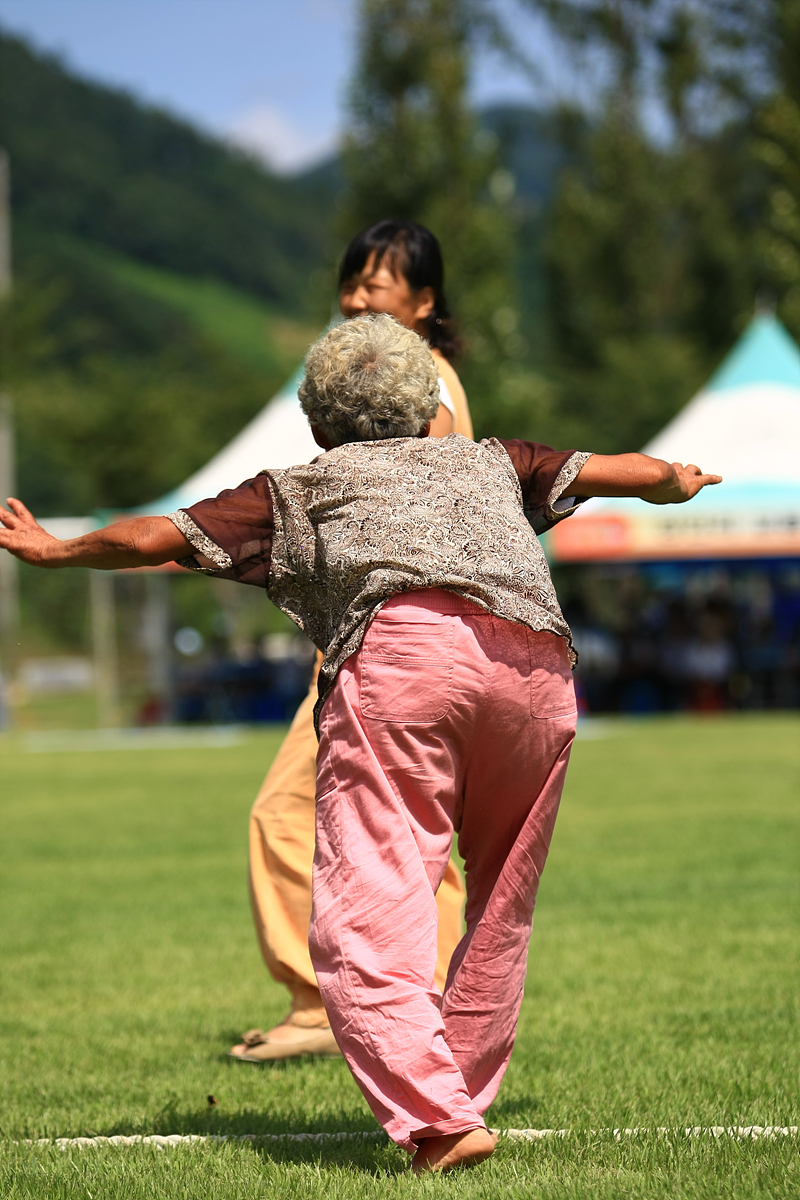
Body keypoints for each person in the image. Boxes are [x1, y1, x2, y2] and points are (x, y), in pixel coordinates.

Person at [0, 314, 721, 1173]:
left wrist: (54, 550)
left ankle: (442, 1121)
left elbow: (153, 537)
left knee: (367, 910)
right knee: (501, 904)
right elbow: (615, 470)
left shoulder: (297, 488)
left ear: (317, 425)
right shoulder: (492, 458)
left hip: (405, 668)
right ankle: (457, 1099)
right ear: (427, 412)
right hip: (535, 668)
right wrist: (673, 480)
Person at [238, 220, 473, 1062]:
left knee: (287, 813)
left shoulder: (425, 384)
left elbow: (427, 473)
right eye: (351, 282)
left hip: (387, 639)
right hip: (396, 634)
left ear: (423, 301)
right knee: (415, 833)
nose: (355, 298)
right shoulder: (401, 379)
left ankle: (321, 1007)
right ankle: (425, 1002)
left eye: (375, 285)